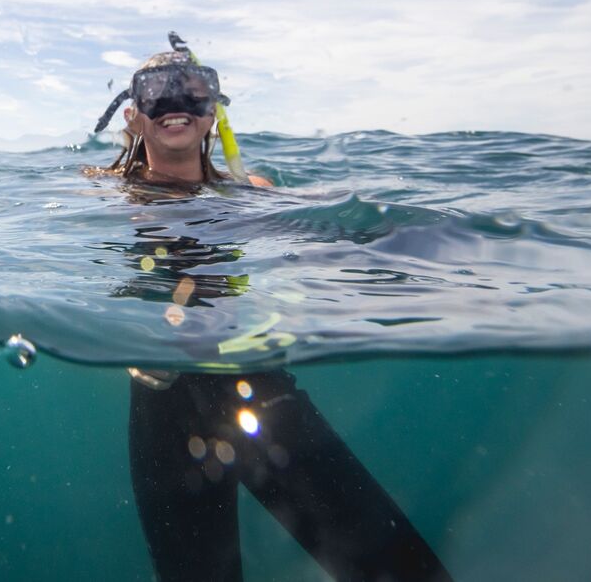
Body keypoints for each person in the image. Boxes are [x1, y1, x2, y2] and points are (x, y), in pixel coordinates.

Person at [89, 41, 451, 582]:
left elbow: (322, 232)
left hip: (252, 386)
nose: (174, 105)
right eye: (156, 95)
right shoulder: (103, 192)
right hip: (161, 405)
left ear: (214, 110)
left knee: (402, 572)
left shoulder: (252, 192)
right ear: (133, 116)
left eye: (190, 90)